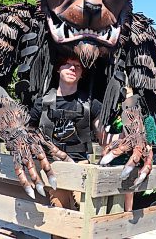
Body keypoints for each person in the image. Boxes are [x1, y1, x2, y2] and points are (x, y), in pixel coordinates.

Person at [28, 56, 102, 214]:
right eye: (67, 64)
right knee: (60, 214)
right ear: (58, 69)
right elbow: (29, 131)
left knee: (84, 213)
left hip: (80, 164)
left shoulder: (91, 104)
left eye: (77, 66)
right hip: (53, 166)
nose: (73, 68)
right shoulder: (42, 102)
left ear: (82, 73)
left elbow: (103, 134)